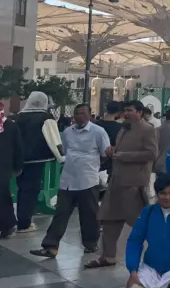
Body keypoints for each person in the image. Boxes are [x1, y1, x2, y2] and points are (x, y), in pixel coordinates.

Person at [31, 103, 110, 258]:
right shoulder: (68, 132)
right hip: (68, 180)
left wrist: (91, 166)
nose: (79, 116)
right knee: (60, 214)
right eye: (77, 113)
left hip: (88, 180)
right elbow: (65, 151)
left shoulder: (98, 132)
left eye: (83, 113)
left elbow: (105, 154)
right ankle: (51, 246)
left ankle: (90, 244)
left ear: (89, 115)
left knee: (89, 214)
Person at [87, 100, 159, 269]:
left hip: (133, 183)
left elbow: (152, 154)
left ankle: (160, 253)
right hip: (116, 181)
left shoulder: (148, 129)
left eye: (130, 110)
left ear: (139, 112)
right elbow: (120, 150)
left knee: (141, 222)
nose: (126, 113)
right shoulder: (124, 129)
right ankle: (108, 256)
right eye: (125, 110)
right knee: (109, 219)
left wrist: (124, 156)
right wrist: (112, 150)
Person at [13, 91, 62, 233]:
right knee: (31, 190)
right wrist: (61, 156)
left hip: (19, 159)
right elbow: (54, 139)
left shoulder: (18, 117)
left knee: (21, 189)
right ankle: (24, 223)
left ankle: (20, 219)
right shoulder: (46, 118)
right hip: (37, 159)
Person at [0, 102, 23, 239]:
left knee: (2, 194)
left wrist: (18, 165)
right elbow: (18, 147)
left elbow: (18, 147)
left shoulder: (9, 125)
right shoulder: (10, 125)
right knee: (3, 193)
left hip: (3, 165)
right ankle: (7, 224)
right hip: (4, 165)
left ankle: (8, 224)